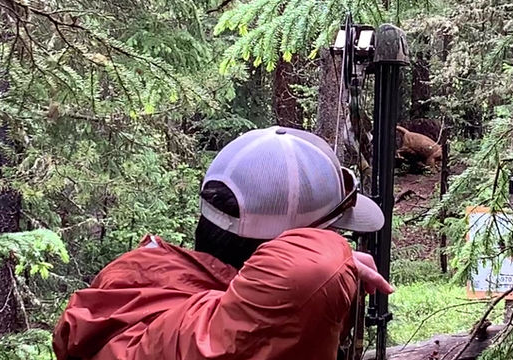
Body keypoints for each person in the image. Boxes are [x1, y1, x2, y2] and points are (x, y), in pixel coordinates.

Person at [53, 126, 394, 360]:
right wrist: (339, 260)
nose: (339, 244)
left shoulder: (139, 278)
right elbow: (309, 273)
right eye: (329, 234)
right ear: (279, 249)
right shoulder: (228, 335)